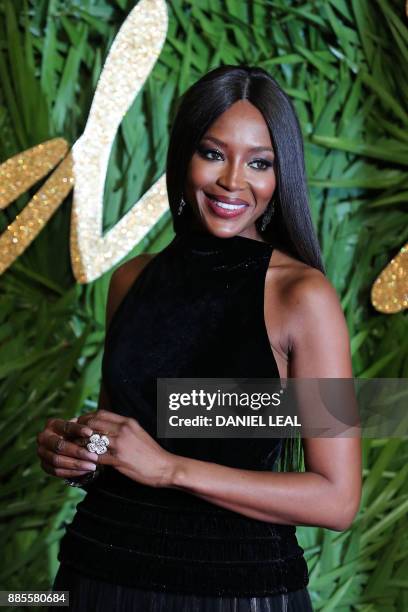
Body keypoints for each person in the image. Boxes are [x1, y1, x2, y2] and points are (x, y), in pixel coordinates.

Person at [37, 65, 361, 611]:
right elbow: (122, 442)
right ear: (184, 155)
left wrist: (169, 470)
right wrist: (76, 452)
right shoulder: (131, 280)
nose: (233, 181)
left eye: (260, 163)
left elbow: (337, 498)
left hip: (234, 592)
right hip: (95, 576)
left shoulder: (303, 297)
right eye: (213, 153)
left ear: (282, 179)